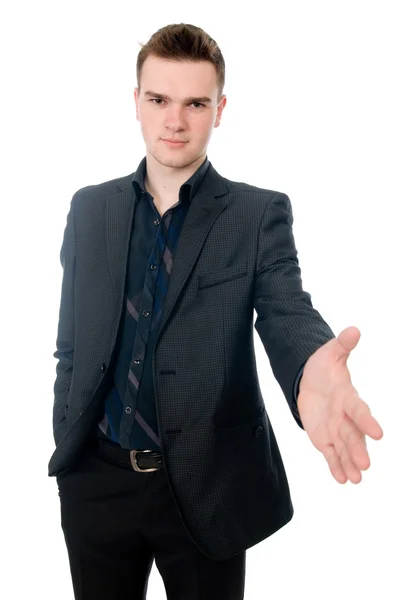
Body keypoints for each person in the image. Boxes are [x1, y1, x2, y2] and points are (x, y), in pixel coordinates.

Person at [48, 22, 384, 600]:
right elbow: (71, 346)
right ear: (136, 103)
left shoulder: (256, 215)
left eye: (195, 103)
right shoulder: (90, 209)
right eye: (158, 100)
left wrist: (308, 367)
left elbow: (285, 308)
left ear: (220, 109)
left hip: (204, 488)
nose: (175, 121)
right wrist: (67, 445)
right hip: (95, 485)